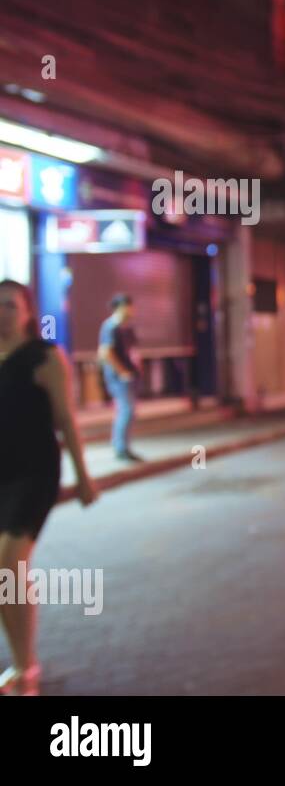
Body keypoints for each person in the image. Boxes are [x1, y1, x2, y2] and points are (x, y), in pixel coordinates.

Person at [0, 280, 99, 695]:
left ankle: (27, 668)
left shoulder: (45, 357)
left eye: (10, 305)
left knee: (9, 563)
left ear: (26, 311)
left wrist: (82, 475)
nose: (2, 312)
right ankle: (21, 661)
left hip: (35, 473)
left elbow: (66, 420)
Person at [98, 293, 142, 462]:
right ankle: (120, 448)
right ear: (118, 307)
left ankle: (124, 446)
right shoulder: (110, 327)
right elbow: (106, 352)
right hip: (119, 378)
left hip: (131, 375)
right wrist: (122, 371)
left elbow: (133, 351)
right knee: (126, 410)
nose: (131, 309)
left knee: (129, 412)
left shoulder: (127, 327)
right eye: (127, 306)